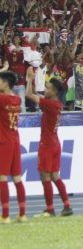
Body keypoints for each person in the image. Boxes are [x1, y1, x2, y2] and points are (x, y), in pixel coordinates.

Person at [24, 69, 73, 217]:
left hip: (47, 145)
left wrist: (29, 79)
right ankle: (66, 206)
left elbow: (28, 95)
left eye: (46, 88)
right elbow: (36, 95)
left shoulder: (50, 105)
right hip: (55, 143)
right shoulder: (56, 104)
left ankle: (50, 209)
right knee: (55, 176)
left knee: (45, 177)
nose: (44, 90)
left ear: (53, 91)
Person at [0, 71, 26, 223]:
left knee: (2, 178)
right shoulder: (16, 99)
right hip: (15, 140)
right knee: (17, 178)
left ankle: (5, 215)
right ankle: (22, 214)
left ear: (5, 84)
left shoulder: (2, 99)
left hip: (4, 142)